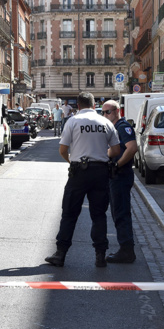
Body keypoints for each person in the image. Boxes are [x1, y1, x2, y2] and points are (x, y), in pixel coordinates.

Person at [45, 92, 121, 268]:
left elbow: (63, 150)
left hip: (79, 172)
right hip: (101, 172)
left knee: (69, 214)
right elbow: (116, 150)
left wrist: (73, 161)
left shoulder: (73, 121)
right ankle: (100, 255)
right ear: (95, 105)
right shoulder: (105, 123)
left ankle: (61, 254)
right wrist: (102, 156)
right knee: (99, 215)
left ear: (78, 106)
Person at [102, 100, 137, 263]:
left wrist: (117, 164)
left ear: (117, 111)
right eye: (103, 112)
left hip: (121, 175)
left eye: (107, 112)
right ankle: (125, 248)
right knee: (117, 213)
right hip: (116, 175)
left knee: (121, 213)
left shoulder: (123, 127)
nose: (105, 115)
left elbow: (132, 148)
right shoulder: (114, 128)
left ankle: (126, 250)